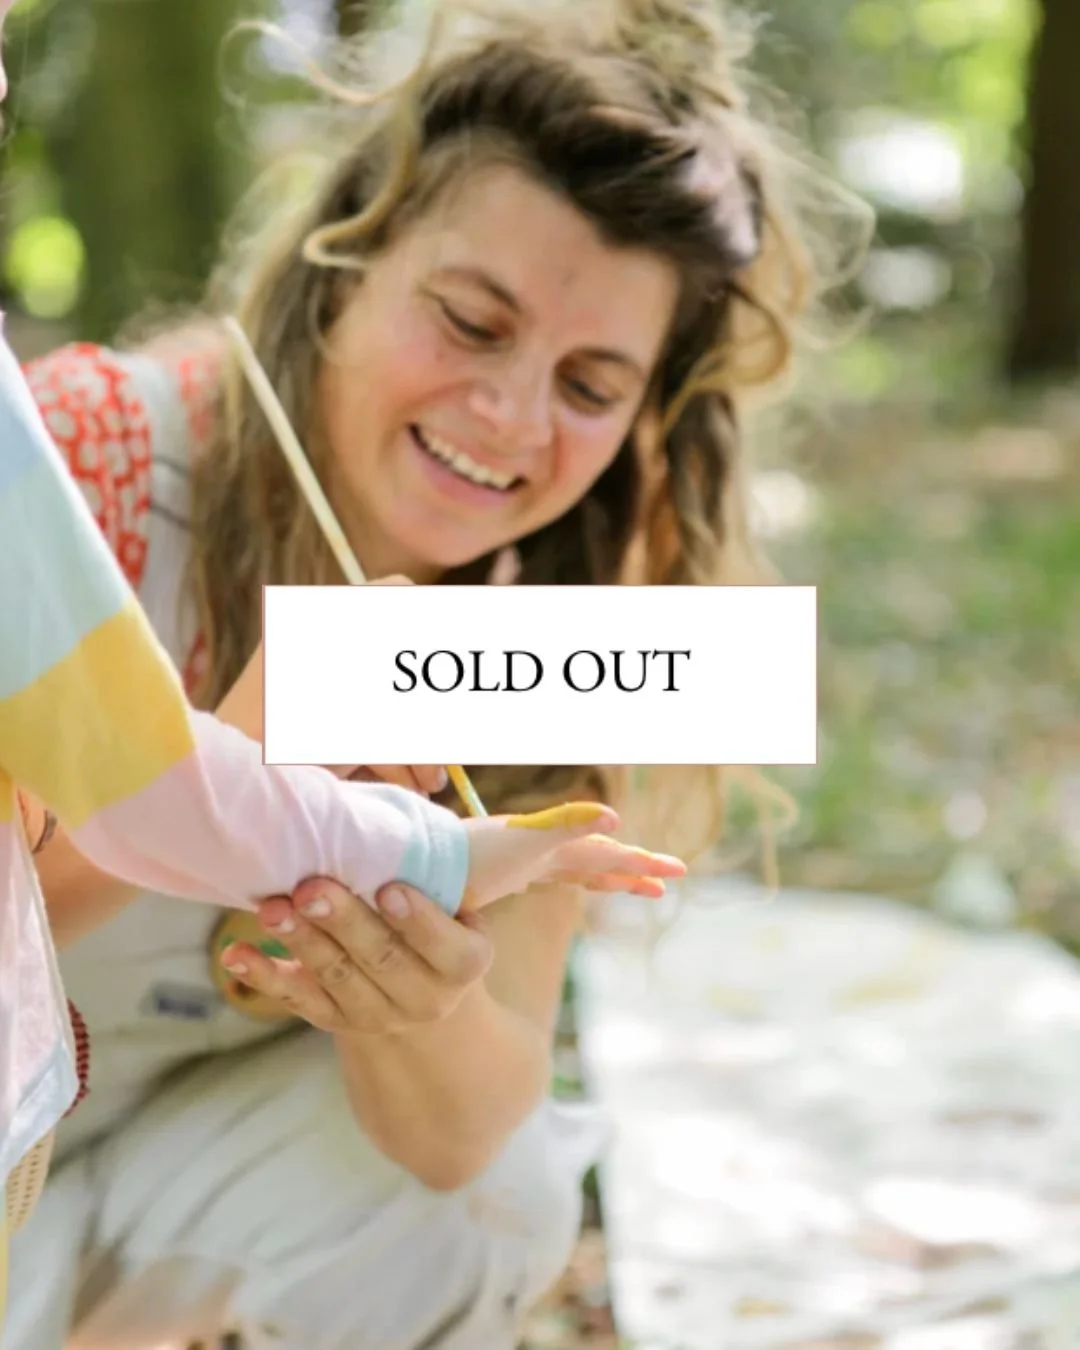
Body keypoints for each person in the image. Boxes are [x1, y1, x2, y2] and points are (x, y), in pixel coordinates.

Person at [6, 0, 863, 1344]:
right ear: (351, 256)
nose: (512, 418)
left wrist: (408, 998)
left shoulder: (555, 639)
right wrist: (209, 774)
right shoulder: (89, 463)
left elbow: (470, 1144)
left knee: (494, 1196)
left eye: (589, 384)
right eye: (472, 322)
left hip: (164, 1177)